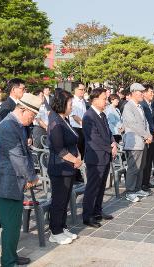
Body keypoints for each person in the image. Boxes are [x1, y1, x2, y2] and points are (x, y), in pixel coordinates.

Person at [0, 93, 41, 267]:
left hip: (15, 181)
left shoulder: (17, 124)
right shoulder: (8, 126)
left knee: (14, 224)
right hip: (7, 182)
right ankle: (8, 261)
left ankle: (11, 256)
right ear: (23, 109)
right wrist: (32, 177)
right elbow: (17, 156)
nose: (33, 120)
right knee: (10, 226)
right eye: (32, 115)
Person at [47, 90, 82, 245]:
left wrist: (78, 156)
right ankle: (55, 231)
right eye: (70, 103)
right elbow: (59, 149)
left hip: (70, 166)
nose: (72, 106)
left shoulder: (64, 119)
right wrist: (74, 160)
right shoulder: (55, 121)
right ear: (62, 104)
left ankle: (62, 226)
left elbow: (73, 141)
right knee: (59, 200)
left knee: (65, 198)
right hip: (60, 167)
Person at [82, 88, 117, 228]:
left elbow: (108, 132)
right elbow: (94, 138)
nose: (106, 101)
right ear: (95, 99)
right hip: (95, 157)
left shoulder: (102, 115)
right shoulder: (88, 116)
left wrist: (113, 142)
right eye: (104, 98)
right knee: (92, 187)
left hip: (105, 155)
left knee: (101, 186)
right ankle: (88, 215)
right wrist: (110, 148)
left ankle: (97, 211)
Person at [122, 83, 152, 203]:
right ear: (133, 92)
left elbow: (146, 123)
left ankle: (137, 188)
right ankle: (129, 191)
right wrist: (146, 135)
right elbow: (133, 124)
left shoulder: (139, 106)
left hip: (143, 141)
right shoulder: (128, 106)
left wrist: (148, 135)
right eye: (140, 92)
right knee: (133, 168)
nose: (142, 94)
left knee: (141, 167)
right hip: (134, 142)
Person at [140, 84, 154, 192]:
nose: (152, 94)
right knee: (146, 161)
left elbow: (153, 119)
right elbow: (146, 121)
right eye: (150, 92)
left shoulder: (149, 104)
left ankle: (147, 181)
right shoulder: (143, 104)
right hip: (147, 136)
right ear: (145, 93)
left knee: (150, 159)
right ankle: (143, 183)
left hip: (152, 135)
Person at [69, 84, 87, 183]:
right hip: (76, 128)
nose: (83, 91)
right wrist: (83, 124)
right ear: (75, 90)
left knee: (82, 152)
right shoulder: (73, 100)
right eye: (80, 89)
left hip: (82, 128)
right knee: (76, 151)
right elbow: (74, 116)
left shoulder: (83, 101)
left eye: (84, 89)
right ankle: (74, 175)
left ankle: (78, 173)